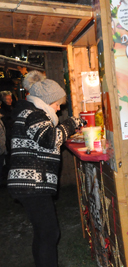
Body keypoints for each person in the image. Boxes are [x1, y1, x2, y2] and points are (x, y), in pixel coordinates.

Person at [7, 71, 85, 267]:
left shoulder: (30, 112)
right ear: (45, 100)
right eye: (57, 103)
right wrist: (72, 123)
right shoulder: (34, 114)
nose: (59, 108)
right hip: (31, 182)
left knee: (44, 232)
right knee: (49, 232)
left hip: (31, 182)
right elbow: (50, 139)